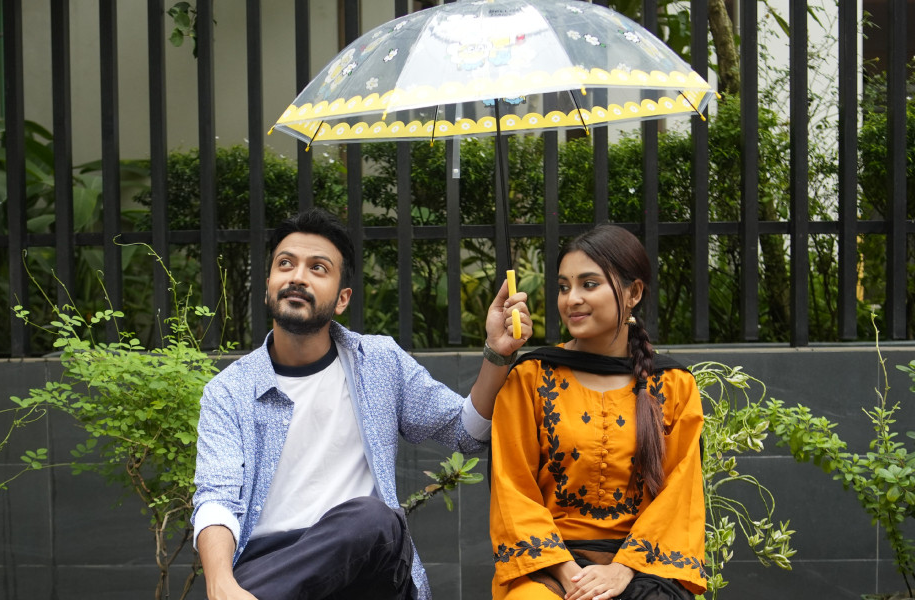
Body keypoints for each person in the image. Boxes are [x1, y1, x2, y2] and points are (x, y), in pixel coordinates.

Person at [192, 208, 532, 600]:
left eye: (318, 268)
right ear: (269, 285)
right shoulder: (229, 391)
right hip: (272, 564)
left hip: (369, 568)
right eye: (285, 264)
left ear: (342, 299)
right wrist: (221, 583)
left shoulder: (379, 362)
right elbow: (217, 499)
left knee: (372, 518)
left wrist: (496, 353)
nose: (297, 276)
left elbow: (465, 433)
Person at [489, 224, 706, 600]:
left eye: (589, 284)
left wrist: (622, 569)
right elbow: (512, 489)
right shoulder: (531, 377)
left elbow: (680, 493)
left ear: (633, 292)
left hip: (642, 568)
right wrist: (569, 573)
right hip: (550, 567)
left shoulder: (673, 384)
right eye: (563, 287)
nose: (571, 299)